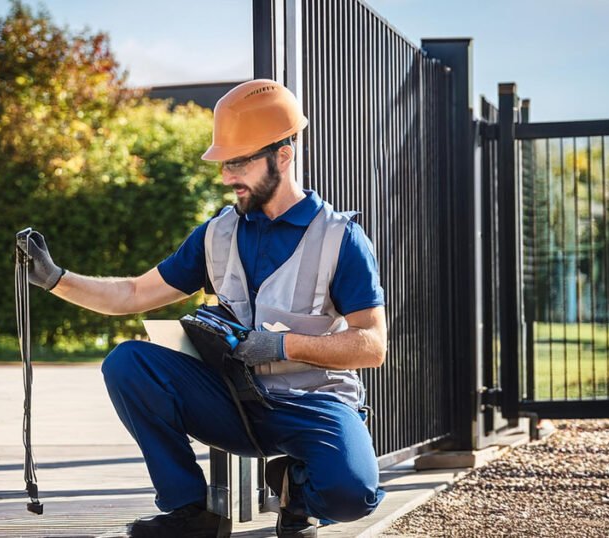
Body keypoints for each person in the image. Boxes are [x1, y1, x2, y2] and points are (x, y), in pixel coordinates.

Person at [21, 79, 386, 538]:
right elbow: (134, 294)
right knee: (129, 363)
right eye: (224, 163)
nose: (226, 176)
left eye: (238, 163)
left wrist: (279, 344)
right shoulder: (216, 234)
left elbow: (372, 346)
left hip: (313, 404)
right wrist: (55, 279)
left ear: (283, 155)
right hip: (234, 402)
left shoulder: (340, 237)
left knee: (352, 495)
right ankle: (190, 513)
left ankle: (298, 490)